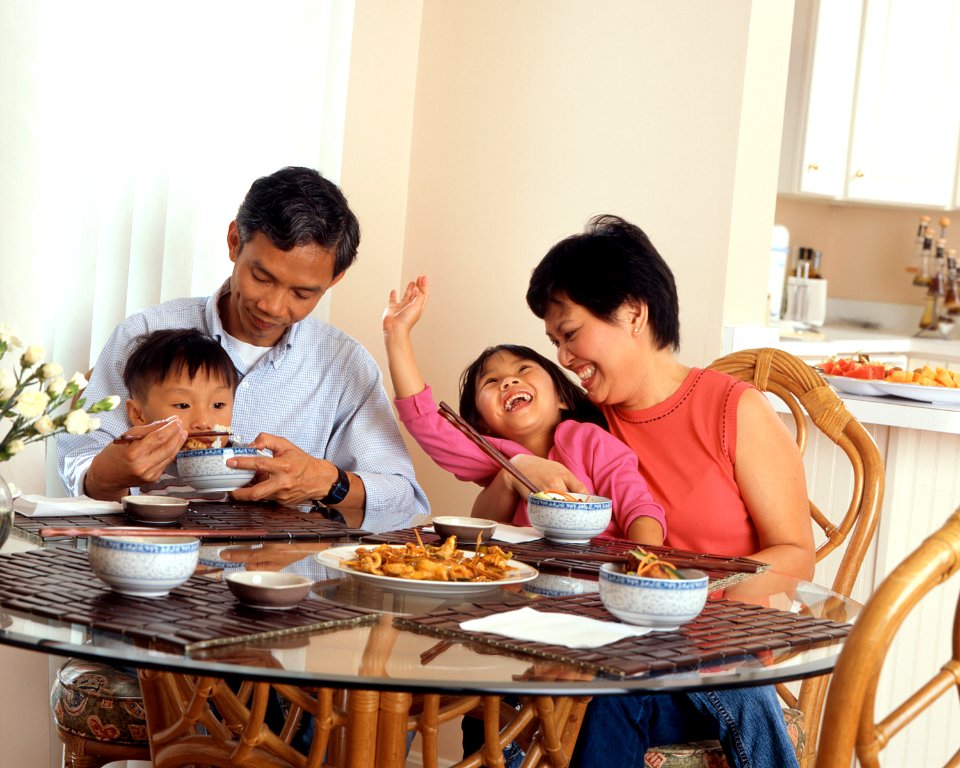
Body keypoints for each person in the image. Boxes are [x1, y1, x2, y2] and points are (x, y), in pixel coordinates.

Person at [502, 214, 816, 768]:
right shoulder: (577, 423)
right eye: (553, 342)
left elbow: (795, 553)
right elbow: (471, 466)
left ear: (633, 312)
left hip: (705, 663)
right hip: (595, 656)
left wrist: (684, 596)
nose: (563, 359)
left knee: (617, 697)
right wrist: (519, 460)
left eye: (570, 334)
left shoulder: (732, 411)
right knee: (565, 690)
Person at [57, 166, 429, 532]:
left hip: (290, 581)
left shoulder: (346, 366)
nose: (273, 306)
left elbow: (403, 499)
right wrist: (109, 473)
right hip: (157, 573)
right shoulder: (144, 334)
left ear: (333, 280)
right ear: (235, 241)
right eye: (262, 277)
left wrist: (327, 481)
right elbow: (79, 459)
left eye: (302, 293)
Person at [382, 275, 666, 544]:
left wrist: (644, 567)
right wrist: (397, 334)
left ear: (562, 398)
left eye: (524, 369)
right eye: (491, 381)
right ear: (481, 424)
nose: (509, 380)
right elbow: (425, 420)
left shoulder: (591, 441)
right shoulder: (491, 454)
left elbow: (640, 509)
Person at [122, 328, 238, 498]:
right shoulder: (138, 468)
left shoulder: (242, 462)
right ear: (138, 414)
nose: (203, 421)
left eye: (218, 404)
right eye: (183, 405)